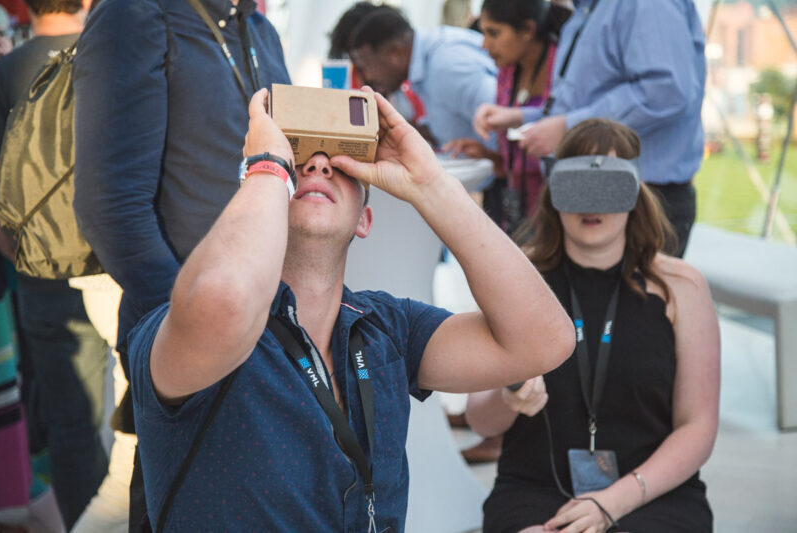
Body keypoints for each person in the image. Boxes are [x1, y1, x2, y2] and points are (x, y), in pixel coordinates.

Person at [128, 87, 575, 532]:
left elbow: (544, 341)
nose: (318, 164)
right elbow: (223, 303)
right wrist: (266, 168)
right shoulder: (180, 332)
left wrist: (432, 185)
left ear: (365, 219)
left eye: (338, 161)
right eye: (297, 157)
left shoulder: (386, 328)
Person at [71, 0, 290, 529]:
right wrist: (188, 327)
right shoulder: (135, 13)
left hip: (269, 327)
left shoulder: (256, 25)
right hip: (189, 334)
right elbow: (110, 204)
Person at [466, 119, 719, 533]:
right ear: (555, 189)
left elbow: (697, 426)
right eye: (578, 183)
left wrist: (612, 503)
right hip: (537, 490)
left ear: (635, 191)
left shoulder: (681, 289)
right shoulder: (515, 277)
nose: (592, 203)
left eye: (608, 185)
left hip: (651, 492)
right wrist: (508, 396)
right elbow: (480, 421)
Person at [0, 0, 111, 528]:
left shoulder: (6, 70)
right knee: (146, 418)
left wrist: (18, 255)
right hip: (117, 261)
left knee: (72, 421)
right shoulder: (110, 54)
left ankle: (80, 521)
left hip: (39, 270)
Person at [474, 0, 705, 257]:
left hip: (640, 199)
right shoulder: (589, 10)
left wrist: (567, 128)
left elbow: (666, 91)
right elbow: (582, 102)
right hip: (600, 192)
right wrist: (520, 116)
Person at [445, 0, 561, 233]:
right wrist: (489, 156)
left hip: (559, 215)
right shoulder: (506, 73)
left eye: (494, 33)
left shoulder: (561, 68)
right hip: (519, 216)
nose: (485, 45)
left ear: (528, 30)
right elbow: (517, 163)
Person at [348, 6, 497, 149]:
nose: (368, 76)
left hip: (494, 172)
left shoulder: (446, 64)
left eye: (368, 66)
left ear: (395, 53)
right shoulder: (426, 60)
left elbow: (500, 116)